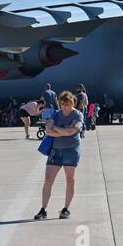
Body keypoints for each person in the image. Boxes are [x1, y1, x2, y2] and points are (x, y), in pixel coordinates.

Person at [34, 90, 84, 221]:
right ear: (60, 104)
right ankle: (43, 209)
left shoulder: (78, 115)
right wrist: (64, 132)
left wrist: (57, 128)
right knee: (48, 180)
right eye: (63, 104)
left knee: (70, 180)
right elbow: (49, 132)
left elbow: (73, 130)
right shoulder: (55, 114)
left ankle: (66, 209)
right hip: (56, 150)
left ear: (73, 102)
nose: (65, 106)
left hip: (71, 150)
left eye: (68, 104)